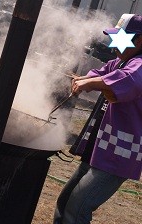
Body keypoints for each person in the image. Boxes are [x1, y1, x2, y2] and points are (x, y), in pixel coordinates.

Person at [53, 13, 142, 224]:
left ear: (139, 40)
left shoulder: (138, 65)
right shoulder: (121, 62)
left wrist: (91, 83)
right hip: (99, 149)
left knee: (78, 208)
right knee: (65, 202)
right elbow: (99, 73)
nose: (114, 45)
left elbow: (130, 81)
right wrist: (85, 79)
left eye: (120, 38)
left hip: (118, 154)